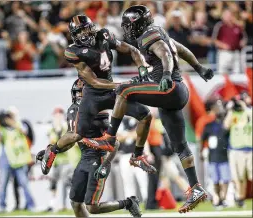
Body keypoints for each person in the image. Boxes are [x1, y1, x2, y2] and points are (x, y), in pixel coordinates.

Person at [83, 5, 214, 213]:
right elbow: (179, 49)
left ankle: (111, 138)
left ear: (137, 24)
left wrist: (166, 75)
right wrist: (198, 67)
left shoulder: (147, 36)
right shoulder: (158, 31)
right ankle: (196, 187)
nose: (126, 30)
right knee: (179, 145)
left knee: (124, 89)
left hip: (168, 88)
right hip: (175, 93)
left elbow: (166, 54)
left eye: (128, 25)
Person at [39, 14, 155, 177]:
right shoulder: (74, 52)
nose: (84, 34)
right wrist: (121, 85)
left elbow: (132, 49)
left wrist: (142, 68)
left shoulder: (104, 36)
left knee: (145, 115)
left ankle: (137, 155)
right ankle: (52, 150)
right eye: (79, 32)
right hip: (92, 96)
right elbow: (94, 82)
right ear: (74, 36)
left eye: (86, 29)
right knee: (76, 134)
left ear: (92, 27)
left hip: (110, 92)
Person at [36, 79, 142, 217]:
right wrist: (49, 152)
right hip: (84, 159)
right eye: (78, 93)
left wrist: (106, 163)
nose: (80, 96)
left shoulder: (98, 111)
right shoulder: (73, 110)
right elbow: (70, 141)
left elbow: (114, 143)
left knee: (92, 207)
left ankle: (128, 203)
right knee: (75, 203)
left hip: (99, 159)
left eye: (83, 92)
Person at [0, 110, 35, 213]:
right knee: (2, 184)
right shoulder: (3, 129)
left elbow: (24, 132)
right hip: (7, 160)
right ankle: (2, 206)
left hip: (20, 160)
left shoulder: (19, 124)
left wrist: (12, 123)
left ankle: (31, 205)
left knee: (24, 183)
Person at [224, 94, 252, 208]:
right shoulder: (233, 114)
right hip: (237, 150)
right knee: (240, 177)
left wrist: (245, 107)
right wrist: (230, 110)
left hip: (250, 150)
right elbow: (225, 126)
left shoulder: (249, 112)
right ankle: (240, 198)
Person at [201, 99, 230, 209]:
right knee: (216, 179)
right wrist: (200, 152)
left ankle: (224, 198)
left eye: (221, 106)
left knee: (226, 178)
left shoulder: (226, 124)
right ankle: (218, 198)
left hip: (225, 155)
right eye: (217, 107)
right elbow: (202, 139)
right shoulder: (209, 125)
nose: (219, 109)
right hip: (213, 156)